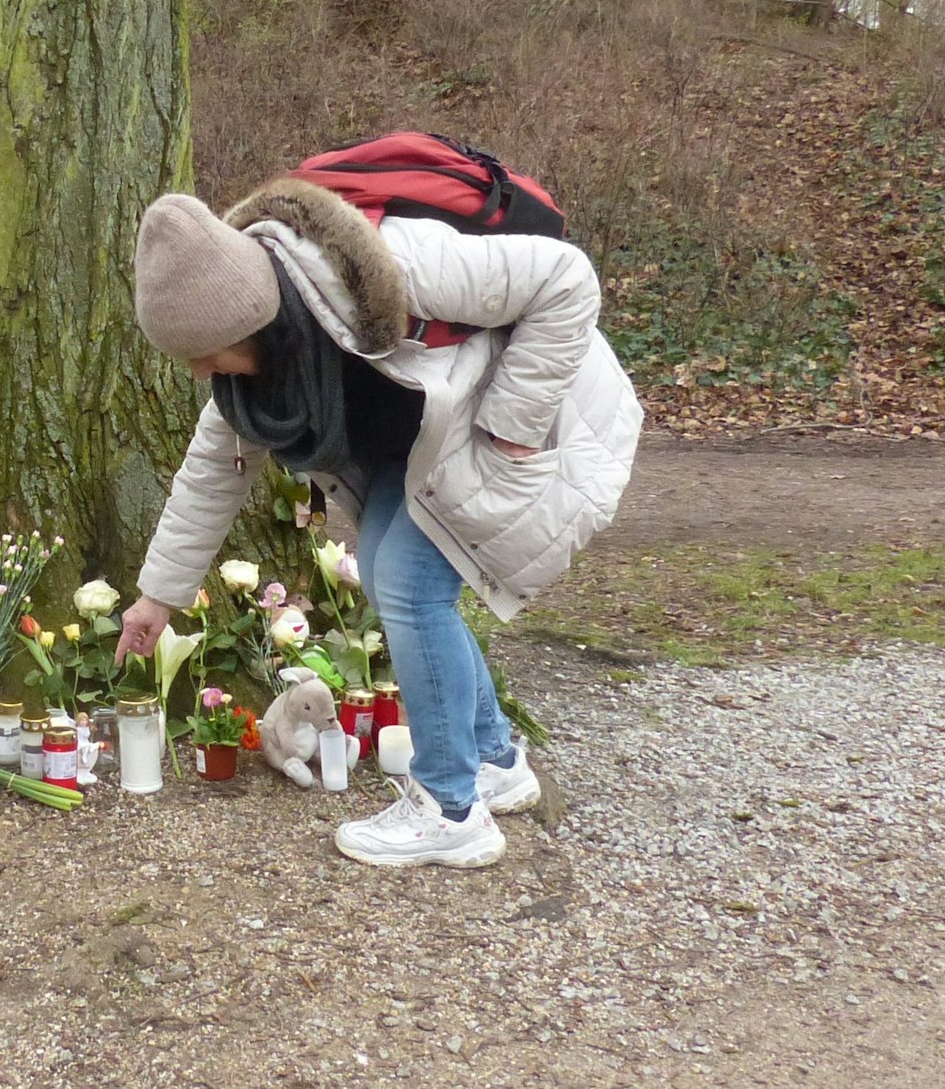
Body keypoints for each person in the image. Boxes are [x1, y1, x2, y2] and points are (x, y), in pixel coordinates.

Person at [115, 172, 641, 868]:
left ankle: (451, 809)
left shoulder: (396, 264)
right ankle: (494, 761)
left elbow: (567, 279)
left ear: (246, 320)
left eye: (204, 355)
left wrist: (516, 419)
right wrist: (158, 597)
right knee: (394, 570)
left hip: (531, 416)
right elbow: (211, 474)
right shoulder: (257, 371)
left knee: (408, 586)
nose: (199, 373)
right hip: (422, 446)